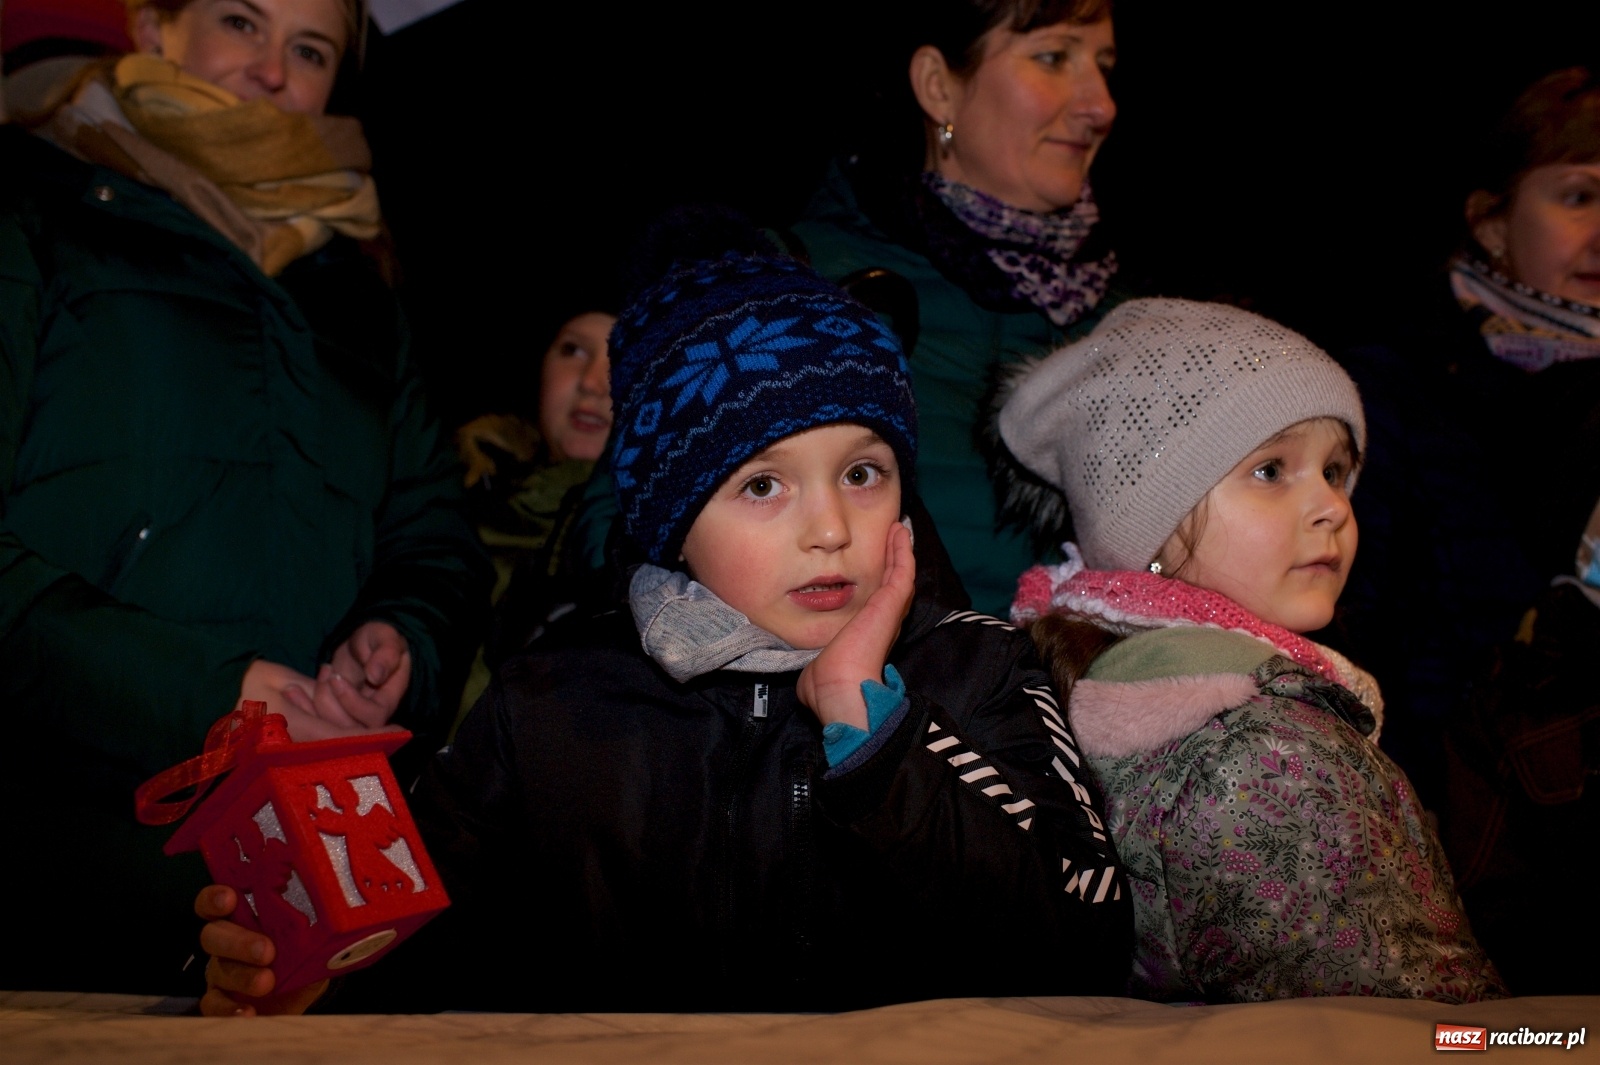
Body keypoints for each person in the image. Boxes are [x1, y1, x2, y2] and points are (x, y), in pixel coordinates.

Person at [193, 248, 1134, 1016]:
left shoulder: (979, 667)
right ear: (675, 519)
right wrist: (309, 974)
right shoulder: (551, 703)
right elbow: (419, 955)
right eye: (762, 484)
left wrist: (874, 733)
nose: (830, 528)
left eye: (862, 471)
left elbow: (1088, 942)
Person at [0, 0, 490, 994]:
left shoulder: (355, 283)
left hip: (301, 861)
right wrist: (205, 693)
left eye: (308, 51)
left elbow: (432, 531)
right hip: (53, 833)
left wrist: (400, 641)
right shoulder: (29, 206)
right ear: (152, 28)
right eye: (240, 21)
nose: (272, 70)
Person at [991, 298, 1504, 1003]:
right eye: (1271, 470)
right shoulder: (1264, 753)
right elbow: (1397, 1027)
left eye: (1335, 469)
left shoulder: (1111, 682)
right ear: (1151, 525)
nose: (1334, 505)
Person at [790, 0, 1121, 615]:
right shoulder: (797, 284)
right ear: (939, 87)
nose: (1101, 105)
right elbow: (630, 521)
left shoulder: (1139, 327)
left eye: (1103, 66)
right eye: (1053, 57)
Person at [1332, 67, 1600, 812]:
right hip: (1457, 809)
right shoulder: (1396, 385)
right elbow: (1354, 622)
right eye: (1579, 196)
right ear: (1491, 222)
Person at [452, 309, 615, 711]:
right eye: (573, 350)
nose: (594, 383)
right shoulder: (450, 491)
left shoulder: (660, 538)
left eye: (624, 357)